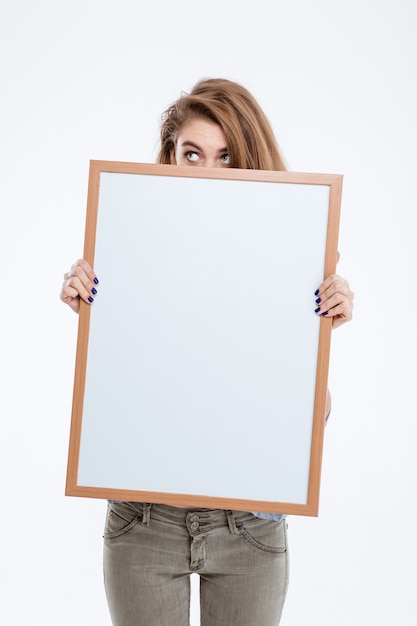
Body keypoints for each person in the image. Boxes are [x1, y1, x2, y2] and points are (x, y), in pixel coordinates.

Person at [60, 78, 354, 626]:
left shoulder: (294, 257)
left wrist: (313, 344)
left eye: (226, 157)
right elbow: (121, 404)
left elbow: (311, 424)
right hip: (144, 520)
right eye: (192, 153)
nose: (207, 171)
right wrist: (96, 324)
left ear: (249, 162)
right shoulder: (128, 248)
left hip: (250, 526)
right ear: (170, 154)